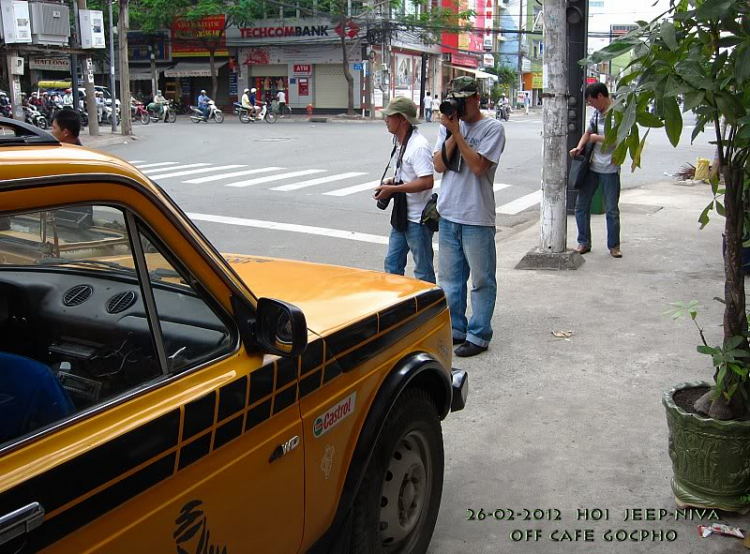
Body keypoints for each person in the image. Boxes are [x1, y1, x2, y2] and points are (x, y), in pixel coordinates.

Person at [433, 76, 506, 358]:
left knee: (482, 280)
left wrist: (459, 134)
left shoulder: (493, 128)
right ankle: (456, 329)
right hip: (449, 213)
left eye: (464, 99)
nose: (460, 105)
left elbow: (477, 166)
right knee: (450, 280)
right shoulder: (451, 126)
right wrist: (452, 132)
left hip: (477, 217)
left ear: (477, 97)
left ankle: (479, 334)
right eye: (456, 99)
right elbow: (439, 165)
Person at [374, 97, 436, 284]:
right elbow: (410, 175)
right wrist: (392, 183)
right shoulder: (400, 142)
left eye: (390, 116)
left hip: (418, 220)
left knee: (423, 272)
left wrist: (394, 189)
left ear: (402, 119)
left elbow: (427, 182)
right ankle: (396, 307)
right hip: (402, 216)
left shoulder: (418, 146)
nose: (386, 120)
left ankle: (430, 309)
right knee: (392, 265)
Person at [569, 82, 622, 258]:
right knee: (581, 206)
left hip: (610, 168)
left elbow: (619, 141)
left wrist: (595, 138)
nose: (591, 106)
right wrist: (580, 146)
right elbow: (588, 132)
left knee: (612, 210)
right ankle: (583, 242)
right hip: (592, 166)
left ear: (601, 96)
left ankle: (614, 246)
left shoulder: (619, 114)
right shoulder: (597, 115)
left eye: (592, 101)